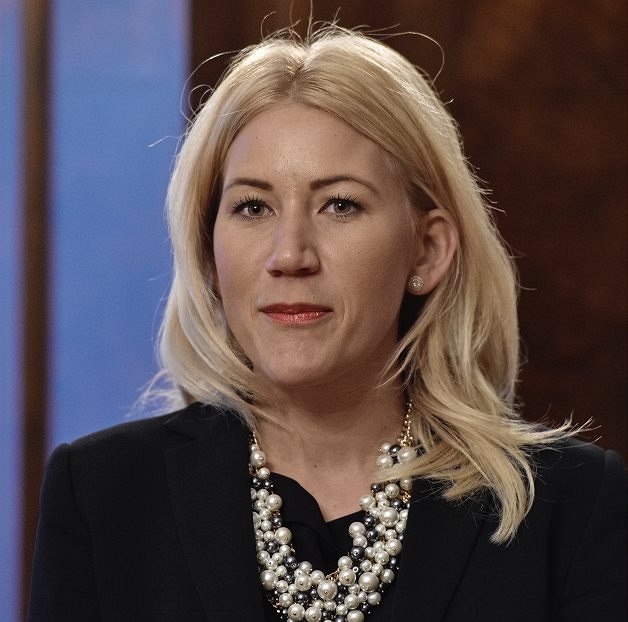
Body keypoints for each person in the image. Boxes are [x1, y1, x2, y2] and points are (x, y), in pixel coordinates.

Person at [28, 26, 626, 622]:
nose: (289, 255)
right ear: (209, 252)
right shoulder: (102, 494)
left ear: (427, 250)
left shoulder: (571, 506)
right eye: (253, 207)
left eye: (340, 204)